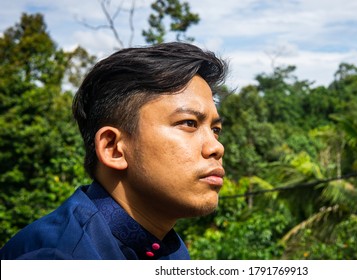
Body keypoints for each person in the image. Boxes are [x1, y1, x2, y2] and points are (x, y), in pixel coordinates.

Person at [0, 42, 228, 260]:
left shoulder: (169, 250)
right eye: (189, 123)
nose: (216, 147)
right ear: (113, 148)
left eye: (215, 129)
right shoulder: (57, 259)